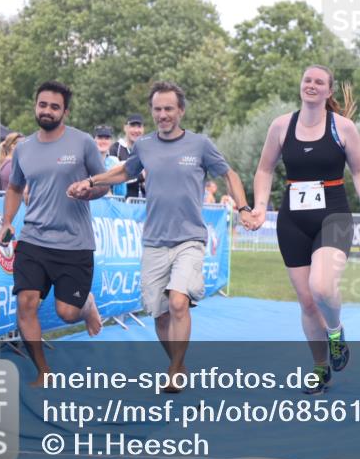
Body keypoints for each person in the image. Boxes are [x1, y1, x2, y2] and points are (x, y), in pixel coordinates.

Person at [69, 82, 253, 390]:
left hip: (190, 239)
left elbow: (229, 174)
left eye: (169, 108)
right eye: (157, 109)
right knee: (160, 314)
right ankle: (176, 363)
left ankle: (176, 370)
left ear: (180, 110)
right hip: (154, 241)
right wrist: (91, 180)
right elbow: (124, 172)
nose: (163, 115)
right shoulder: (145, 146)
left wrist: (244, 207)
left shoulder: (200, 145)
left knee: (178, 302)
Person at [246, 65, 360, 394]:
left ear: (328, 91)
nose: (311, 85)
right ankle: (321, 368)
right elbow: (264, 170)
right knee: (307, 303)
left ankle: (335, 331)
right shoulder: (281, 125)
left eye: (319, 82)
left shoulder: (343, 128)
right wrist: (261, 206)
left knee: (322, 287)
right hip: (293, 220)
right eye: (307, 79)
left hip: (333, 216)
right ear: (301, 85)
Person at [0, 81, 107, 386]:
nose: (47, 111)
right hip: (33, 240)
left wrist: (89, 191)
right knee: (26, 302)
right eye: (42, 104)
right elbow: (15, 188)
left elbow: (104, 184)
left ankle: (86, 305)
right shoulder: (23, 148)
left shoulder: (83, 143)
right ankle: (43, 372)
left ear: (65, 112)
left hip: (74, 243)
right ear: (36, 106)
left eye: (54, 106)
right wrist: (8, 221)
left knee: (67, 313)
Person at [109, 113, 145, 197]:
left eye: (139, 126)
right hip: (121, 203)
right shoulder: (115, 149)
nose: (136, 130)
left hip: (142, 204)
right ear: (125, 128)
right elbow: (115, 176)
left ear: (143, 129)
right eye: (132, 126)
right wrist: (141, 176)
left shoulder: (146, 150)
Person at [94, 125, 126, 196]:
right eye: (100, 138)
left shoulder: (114, 161)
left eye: (107, 138)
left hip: (111, 204)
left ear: (111, 141)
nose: (103, 141)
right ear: (94, 140)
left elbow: (121, 193)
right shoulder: (87, 159)